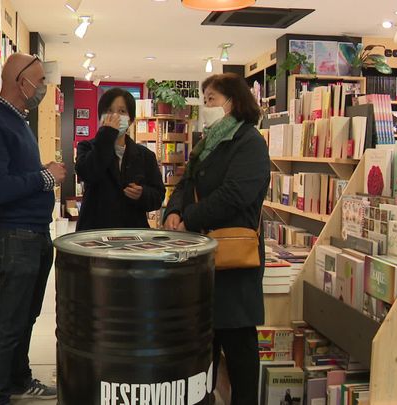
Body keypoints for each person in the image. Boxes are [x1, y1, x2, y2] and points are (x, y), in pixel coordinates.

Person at [163, 73, 270, 405]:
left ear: (232, 102)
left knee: (238, 344)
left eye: (211, 99)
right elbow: (185, 182)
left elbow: (236, 195)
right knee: (201, 341)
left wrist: (190, 217)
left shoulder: (249, 142)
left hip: (234, 261)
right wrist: (173, 211)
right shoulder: (208, 141)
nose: (205, 105)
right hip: (203, 259)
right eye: (204, 98)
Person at [0, 53, 65, 404]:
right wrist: (46, 176)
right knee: (11, 321)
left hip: (36, 232)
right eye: (39, 81)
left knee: (27, 316)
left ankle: (18, 379)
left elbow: (15, 175)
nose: (42, 88)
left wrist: (41, 172)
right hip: (18, 235)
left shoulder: (18, 121)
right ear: (19, 81)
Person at [75, 87, 165, 230]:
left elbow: (158, 197)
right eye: (109, 111)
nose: (115, 116)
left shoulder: (145, 156)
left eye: (122, 111)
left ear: (130, 120)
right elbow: (88, 173)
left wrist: (142, 194)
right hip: (94, 234)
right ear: (101, 117)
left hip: (132, 235)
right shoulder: (86, 147)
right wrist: (106, 135)